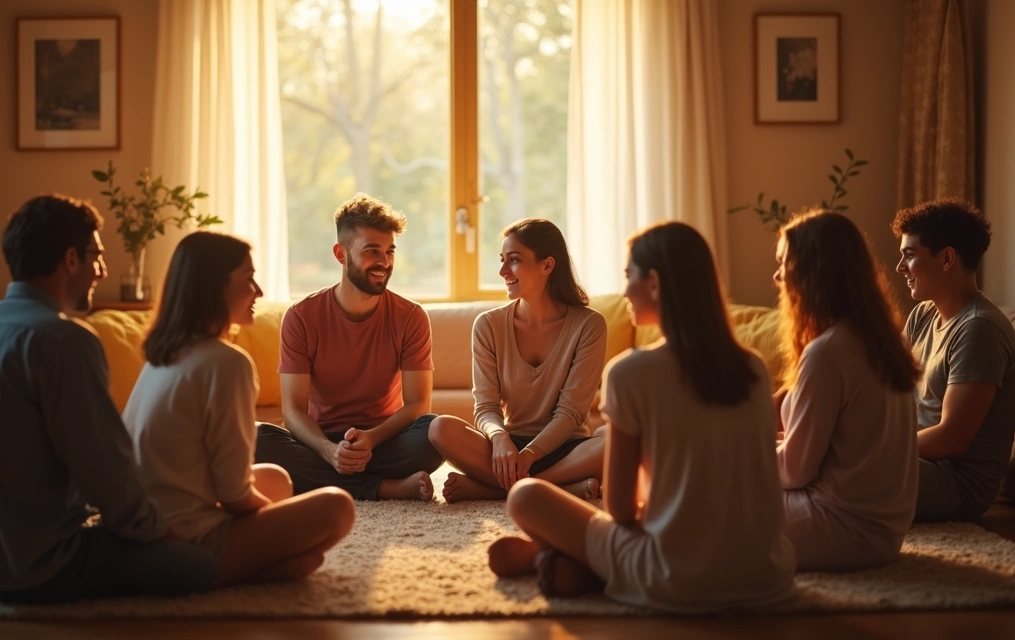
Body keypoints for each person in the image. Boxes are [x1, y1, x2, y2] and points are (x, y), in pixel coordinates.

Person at [487, 222, 794, 611]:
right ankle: (569, 562)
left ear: (654, 284)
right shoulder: (753, 368)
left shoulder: (629, 372)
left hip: (674, 578)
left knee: (526, 494)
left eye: (629, 276)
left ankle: (568, 562)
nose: (625, 290)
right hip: (766, 574)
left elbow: (619, 509)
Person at [0, 194, 217, 603]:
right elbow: (107, 475)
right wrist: (165, 534)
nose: (102, 269)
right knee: (199, 564)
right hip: (32, 569)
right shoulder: (65, 340)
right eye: (96, 256)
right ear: (70, 259)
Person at [124, 231, 355, 586]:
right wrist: (282, 532)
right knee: (337, 506)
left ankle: (258, 563)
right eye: (248, 280)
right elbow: (233, 495)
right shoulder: (227, 363)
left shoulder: (162, 356)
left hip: (148, 526)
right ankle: (236, 570)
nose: (259, 292)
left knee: (275, 478)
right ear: (212, 288)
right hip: (185, 541)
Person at [254, 193, 443, 501]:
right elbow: (293, 410)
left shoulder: (411, 316)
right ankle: (384, 488)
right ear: (340, 254)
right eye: (371, 251)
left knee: (433, 432)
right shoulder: (301, 317)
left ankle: (338, 479)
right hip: (319, 442)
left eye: (389, 251)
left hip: (385, 441)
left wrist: (370, 439)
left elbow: (418, 405)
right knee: (255, 439)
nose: (384, 262)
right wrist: (330, 451)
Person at [773, 211, 921, 571]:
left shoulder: (827, 352)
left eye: (784, 264)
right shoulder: (878, 341)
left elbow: (795, 472)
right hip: (884, 531)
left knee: (704, 494)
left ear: (814, 272)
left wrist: (738, 456)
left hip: (840, 527)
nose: (777, 277)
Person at [428, 218, 607, 503]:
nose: (502, 271)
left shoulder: (589, 325)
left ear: (547, 265)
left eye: (513, 260)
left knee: (614, 438)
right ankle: (562, 487)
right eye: (502, 260)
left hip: (567, 446)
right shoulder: (488, 325)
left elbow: (571, 413)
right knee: (439, 428)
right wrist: (499, 438)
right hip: (508, 449)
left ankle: (499, 489)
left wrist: (530, 455)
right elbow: (486, 407)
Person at [892, 198, 1015, 523]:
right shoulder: (923, 314)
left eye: (909, 255)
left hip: (955, 482)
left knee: (833, 468)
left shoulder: (979, 329)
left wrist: (867, 448)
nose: (900, 268)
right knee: (803, 453)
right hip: (915, 460)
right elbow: (887, 385)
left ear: (947, 258)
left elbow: (951, 438)